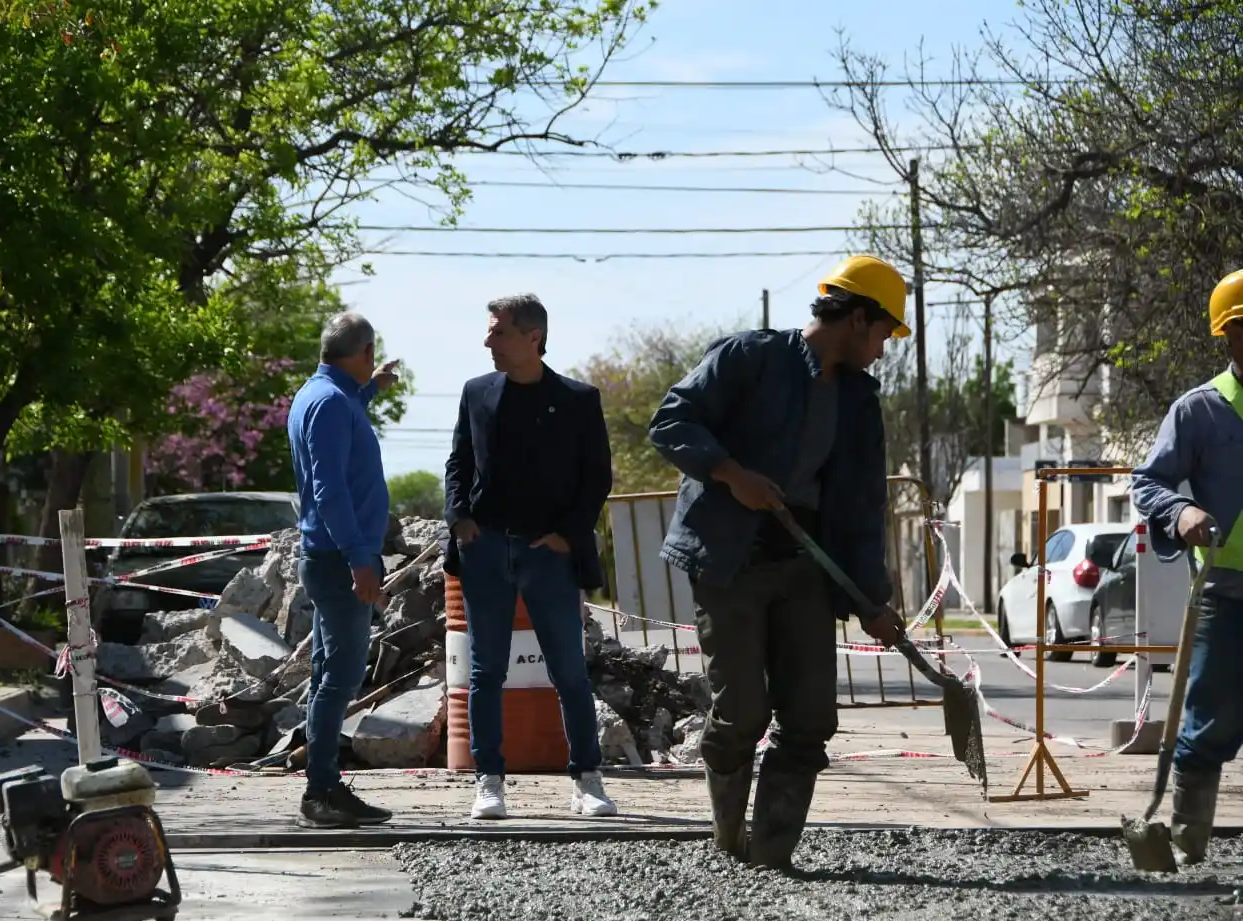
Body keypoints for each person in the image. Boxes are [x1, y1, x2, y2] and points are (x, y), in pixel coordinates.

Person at [646, 255, 911, 870]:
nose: (883, 350)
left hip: (803, 571)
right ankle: (729, 841)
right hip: (729, 562)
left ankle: (771, 858)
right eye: (884, 333)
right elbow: (671, 421)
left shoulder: (857, 401)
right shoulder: (749, 357)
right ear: (857, 317)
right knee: (741, 712)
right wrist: (731, 473)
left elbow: (860, 509)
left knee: (810, 715)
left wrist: (872, 599)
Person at [443, 293, 618, 820]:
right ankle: (489, 783)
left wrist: (569, 533)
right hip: (486, 551)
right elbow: (458, 463)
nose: (487, 341)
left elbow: (597, 476)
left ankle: (587, 780)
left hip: (549, 555)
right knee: (485, 672)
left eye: (498, 331)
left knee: (569, 671)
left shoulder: (578, 399)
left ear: (532, 337)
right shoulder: (477, 393)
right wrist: (461, 520)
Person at [1131, 268, 1243, 867]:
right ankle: (1184, 837)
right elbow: (1147, 483)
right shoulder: (1200, 410)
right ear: (1230, 336)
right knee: (1207, 722)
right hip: (1225, 592)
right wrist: (1182, 512)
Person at [287, 311, 401, 828]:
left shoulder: (322, 395)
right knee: (342, 674)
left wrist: (370, 390)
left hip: (330, 556)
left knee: (327, 671)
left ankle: (325, 783)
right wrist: (360, 559)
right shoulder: (331, 404)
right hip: (339, 559)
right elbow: (330, 490)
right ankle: (322, 790)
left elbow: (340, 425)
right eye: (371, 357)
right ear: (364, 352)